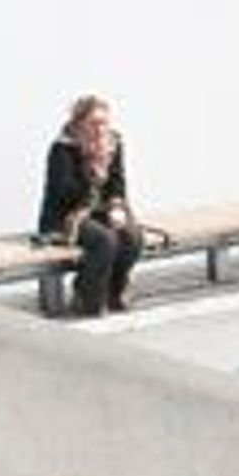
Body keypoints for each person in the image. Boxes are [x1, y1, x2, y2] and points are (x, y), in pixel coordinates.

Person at [37, 94, 142, 316]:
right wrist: (92, 172)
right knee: (105, 240)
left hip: (99, 212)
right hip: (67, 216)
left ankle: (115, 290)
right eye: (94, 123)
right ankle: (88, 297)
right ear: (80, 123)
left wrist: (116, 207)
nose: (100, 129)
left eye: (104, 122)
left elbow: (118, 183)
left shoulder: (113, 144)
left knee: (132, 236)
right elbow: (64, 193)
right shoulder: (63, 149)